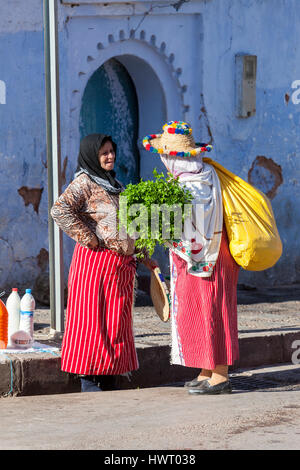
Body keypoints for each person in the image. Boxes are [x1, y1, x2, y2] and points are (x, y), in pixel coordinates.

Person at [51, 133, 155, 392]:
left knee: (114, 324)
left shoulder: (115, 184)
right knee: (92, 323)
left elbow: (128, 226)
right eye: (104, 153)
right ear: (91, 156)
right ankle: (90, 384)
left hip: (118, 267)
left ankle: (108, 379)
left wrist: (143, 255)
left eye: (112, 151)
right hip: (94, 265)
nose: (110, 156)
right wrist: (90, 238)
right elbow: (59, 210)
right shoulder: (84, 182)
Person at [142, 121, 240, 395]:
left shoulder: (192, 185)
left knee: (213, 312)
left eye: (165, 155)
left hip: (209, 260)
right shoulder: (206, 174)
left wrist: (156, 224)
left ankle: (220, 375)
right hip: (202, 258)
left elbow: (192, 226)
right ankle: (206, 369)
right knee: (200, 312)